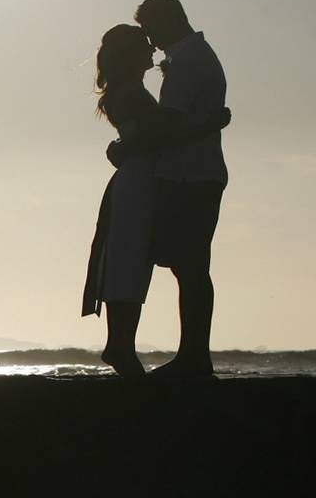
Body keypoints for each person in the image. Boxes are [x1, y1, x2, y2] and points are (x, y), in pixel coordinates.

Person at [82, 21, 229, 377]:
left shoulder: (128, 91)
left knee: (132, 259)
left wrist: (122, 147)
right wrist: (208, 126)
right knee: (129, 259)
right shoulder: (131, 94)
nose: (152, 48)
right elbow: (160, 136)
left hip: (143, 180)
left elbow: (152, 136)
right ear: (131, 55)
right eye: (143, 45)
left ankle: (121, 344)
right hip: (138, 183)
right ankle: (119, 345)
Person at [120, 0, 229, 378]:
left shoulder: (188, 62)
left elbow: (170, 124)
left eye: (149, 30)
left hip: (190, 175)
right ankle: (193, 355)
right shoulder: (194, 57)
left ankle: (194, 357)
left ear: (165, 20)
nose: (149, 41)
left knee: (191, 266)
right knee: (189, 265)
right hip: (193, 173)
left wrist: (125, 146)